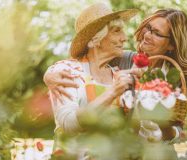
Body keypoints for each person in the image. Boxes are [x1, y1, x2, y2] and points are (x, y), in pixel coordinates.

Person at [44, 7, 187, 160]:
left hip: (155, 155)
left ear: (171, 45)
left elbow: (177, 128)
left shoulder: (177, 76)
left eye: (156, 33)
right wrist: (49, 74)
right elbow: (86, 60)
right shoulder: (124, 61)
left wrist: (162, 123)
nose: (146, 35)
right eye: (148, 28)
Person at [46, 3, 138, 150]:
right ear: (96, 39)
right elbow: (69, 124)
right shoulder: (67, 71)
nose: (124, 38)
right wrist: (112, 92)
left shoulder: (118, 75)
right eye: (116, 31)